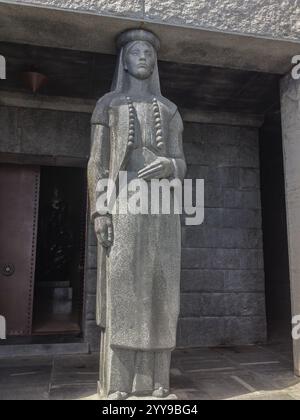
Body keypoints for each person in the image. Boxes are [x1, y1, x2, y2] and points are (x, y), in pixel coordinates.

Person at [88, 29, 186, 400]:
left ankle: (158, 382)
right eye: (135, 52)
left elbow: (181, 161)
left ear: (155, 61)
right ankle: (118, 384)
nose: (143, 57)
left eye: (148, 52)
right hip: (124, 204)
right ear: (124, 60)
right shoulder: (108, 105)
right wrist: (100, 210)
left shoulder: (170, 110)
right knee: (125, 288)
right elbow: (96, 162)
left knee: (162, 291)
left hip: (163, 209)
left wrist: (169, 166)